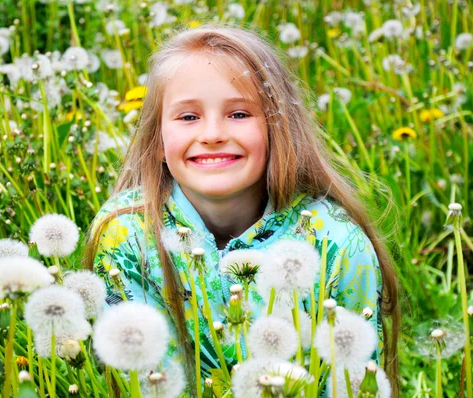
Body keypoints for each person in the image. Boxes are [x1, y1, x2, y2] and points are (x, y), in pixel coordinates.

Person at [83, 23, 400, 395]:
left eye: (239, 114)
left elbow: (355, 382)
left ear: (278, 130)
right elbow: (142, 381)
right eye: (189, 117)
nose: (213, 133)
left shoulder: (337, 243)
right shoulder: (126, 238)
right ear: (157, 140)